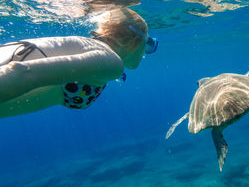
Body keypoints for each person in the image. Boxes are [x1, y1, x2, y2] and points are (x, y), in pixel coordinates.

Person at [0, 8, 158, 118]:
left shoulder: (95, 49)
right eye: (148, 43)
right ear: (135, 41)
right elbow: (24, 72)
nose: (146, 52)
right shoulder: (111, 63)